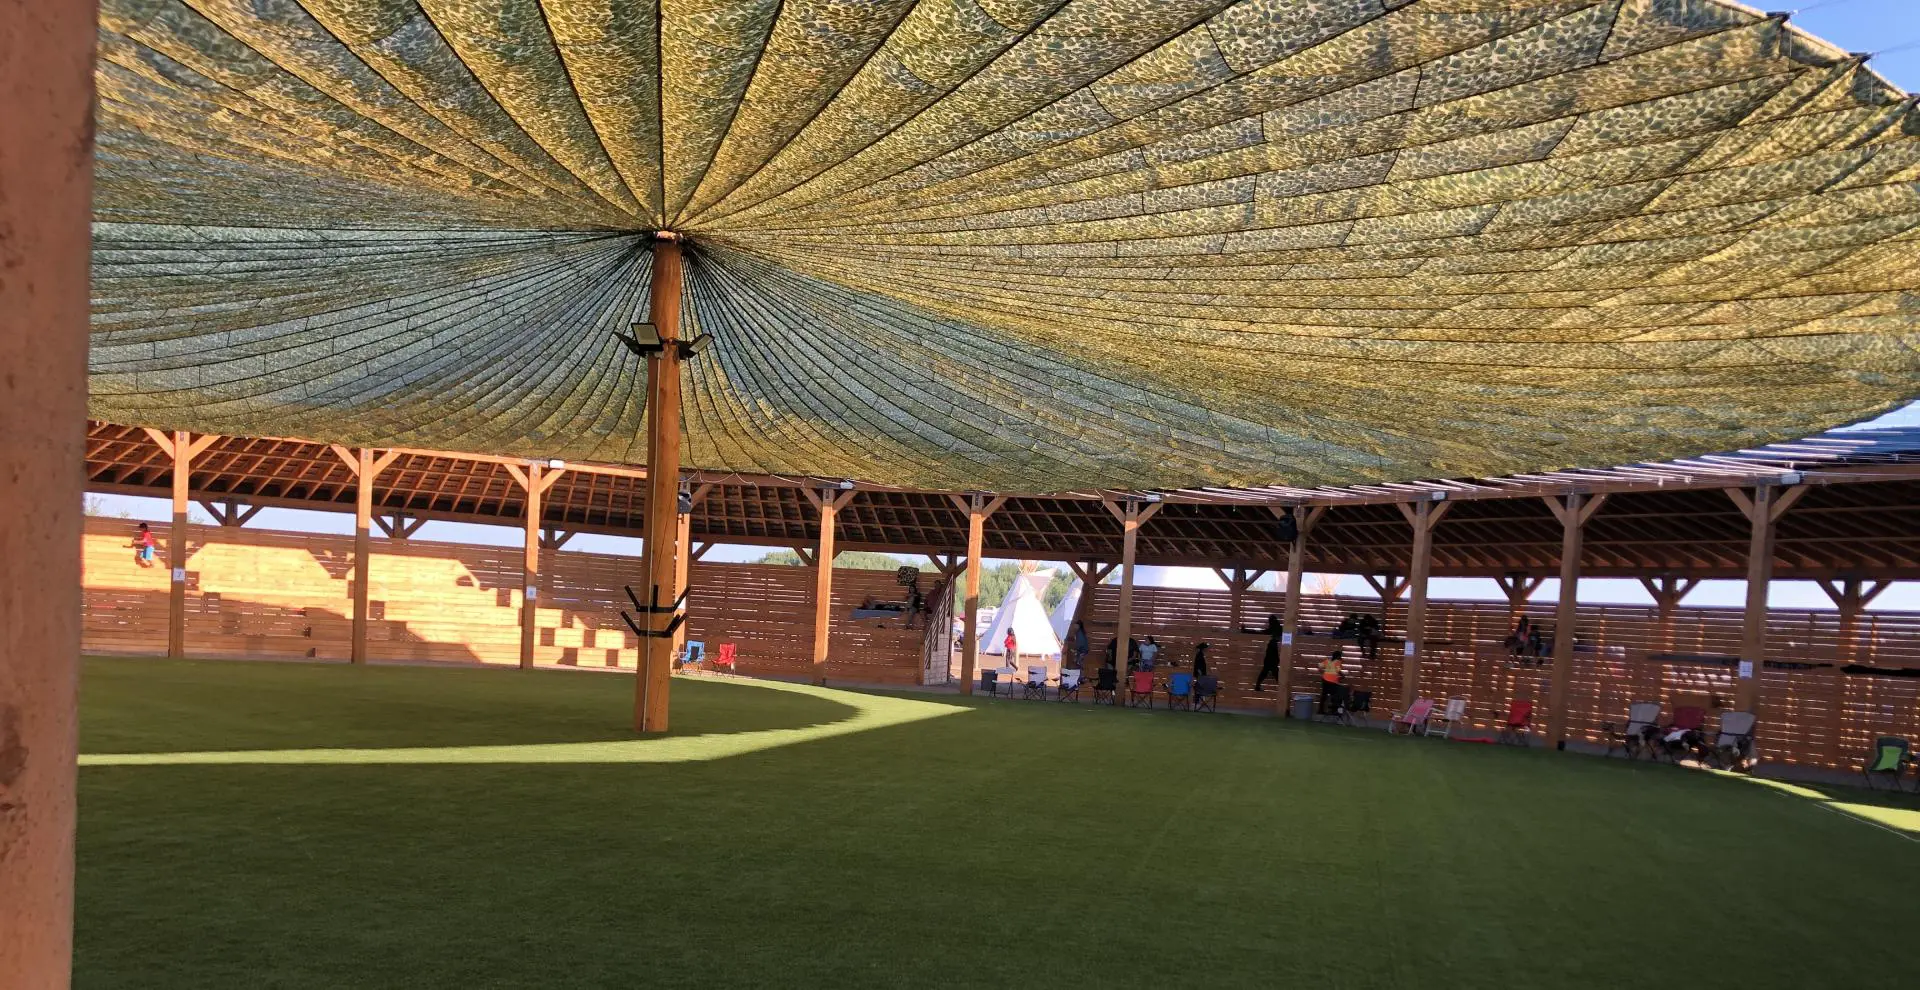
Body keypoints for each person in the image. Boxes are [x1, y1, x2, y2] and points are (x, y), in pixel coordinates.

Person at [1254, 623, 1281, 692]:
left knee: (1265, 673)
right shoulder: (1273, 643)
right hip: (1271, 662)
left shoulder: (1272, 643)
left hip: (1269, 662)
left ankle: (1257, 686)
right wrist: (1277, 661)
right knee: (1276, 675)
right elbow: (1274, 655)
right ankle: (1282, 689)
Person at [1319, 648, 1344, 714]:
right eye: (1340, 656)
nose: (1341, 657)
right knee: (1335, 696)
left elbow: (1319, 666)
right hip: (1333, 682)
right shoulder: (1338, 662)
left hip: (1325, 680)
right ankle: (1334, 711)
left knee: (1324, 696)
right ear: (1338, 656)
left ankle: (1320, 710)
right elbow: (1338, 671)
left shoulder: (1327, 660)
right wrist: (1343, 675)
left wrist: (1322, 673)